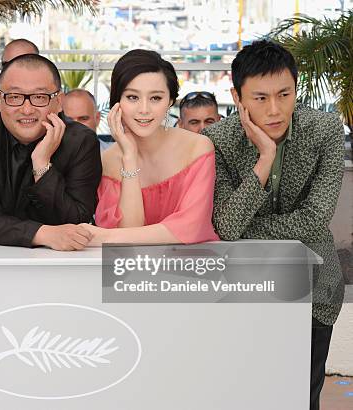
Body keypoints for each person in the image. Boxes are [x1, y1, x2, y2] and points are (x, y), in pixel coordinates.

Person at [202, 40, 345, 410]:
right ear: (237, 95)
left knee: (302, 396)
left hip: (315, 288)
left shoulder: (324, 129)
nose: (275, 109)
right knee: (247, 392)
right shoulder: (216, 140)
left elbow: (316, 219)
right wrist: (265, 157)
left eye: (285, 94)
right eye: (261, 98)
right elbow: (226, 227)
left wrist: (246, 222)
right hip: (245, 287)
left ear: (296, 89)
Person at [0, 53, 101, 251]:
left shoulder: (81, 141)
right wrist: (44, 234)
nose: (26, 109)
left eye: (39, 97)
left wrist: (42, 165)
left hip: (64, 263)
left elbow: (77, 219)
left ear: (58, 102)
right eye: (14, 97)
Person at [81, 49, 219, 245]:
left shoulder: (197, 148)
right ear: (117, 101)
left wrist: (105, 236)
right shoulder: (108, 161)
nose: (144, 109)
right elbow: (129, 233)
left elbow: (192, 227)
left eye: (155, 98)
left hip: (192, 268)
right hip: (127, 271)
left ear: (170, 101)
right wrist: (129, 157)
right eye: (132, 97)